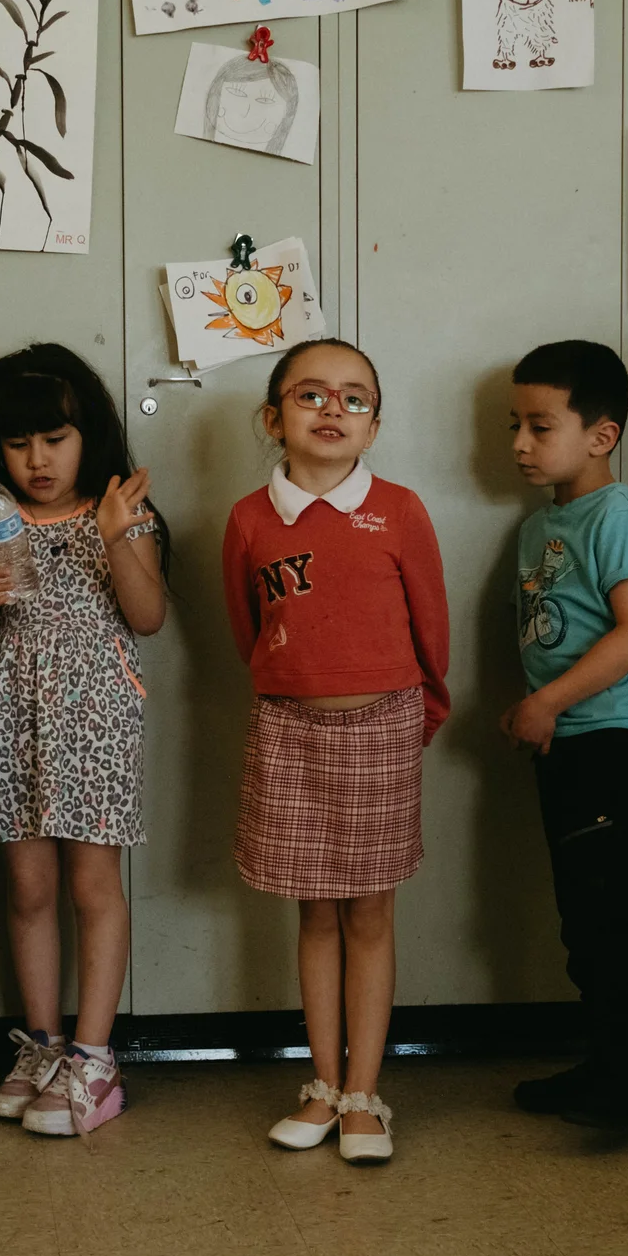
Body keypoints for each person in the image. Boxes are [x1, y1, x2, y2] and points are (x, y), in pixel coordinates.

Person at [221, 340, 448, 1166]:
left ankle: (363, 1095)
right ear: (273, 416)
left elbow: (431, 628)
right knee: (314, 911)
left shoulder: (401, 510)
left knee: (371, 913)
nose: (332, 410)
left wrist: (423, 710)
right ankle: (321, 1084)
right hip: (286, 729)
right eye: (311, 395)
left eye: (354, 399)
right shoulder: (251, 517)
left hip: (382, 728)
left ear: (375, 426)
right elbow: (247, 629)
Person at [0, 345, 168, 1138]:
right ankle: (40, 1047)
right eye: (18, 444)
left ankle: (95, 1057)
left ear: (90, 436)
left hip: (98, 718)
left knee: (91, 888)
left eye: (56, 439)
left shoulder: (120, 511)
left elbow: (148, 617)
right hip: (8, 714)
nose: (38, 461)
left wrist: (115, 533)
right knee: (30, 889)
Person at [499, 341, 628, 1129]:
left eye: (541, 426)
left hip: (620, 738)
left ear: (601, 436)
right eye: (516, 425)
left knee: (603, 910)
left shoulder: (616, 515)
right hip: (574, 741)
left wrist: (548, 703)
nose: (519, 443)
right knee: (584, 912)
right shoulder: (544, 523)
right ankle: (606, 1062)